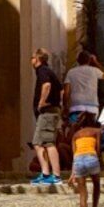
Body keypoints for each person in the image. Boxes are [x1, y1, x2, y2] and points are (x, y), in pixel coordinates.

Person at [67, 105, 104, 207]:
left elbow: (74, 154)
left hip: (79, 160)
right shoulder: (96, 131)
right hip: (91, 157)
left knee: (82, 195)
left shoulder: (76, 135)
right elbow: (98, 148)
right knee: (96, 185)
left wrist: (72, 173)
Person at [29, 57, 64, 187]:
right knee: (40, 143)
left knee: (46, 143)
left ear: (37, 59)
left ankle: (55, 175)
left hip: (48, 112)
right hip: (52, 111)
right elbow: (61, 90)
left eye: (32, 57)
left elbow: (47, 85)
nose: (31, 60)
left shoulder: (42, 70)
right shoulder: (49, 71)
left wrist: (41, 102)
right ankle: (46, 174)